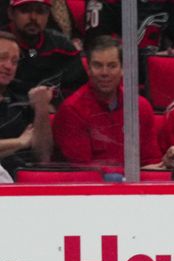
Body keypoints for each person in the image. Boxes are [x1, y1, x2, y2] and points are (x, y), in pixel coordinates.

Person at [52, 34, 163, 169]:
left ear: (122, 69)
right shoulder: (72, 110)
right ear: (89, 69)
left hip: (135, 186)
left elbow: (150, 161)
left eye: (112, 66)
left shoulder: (140, 107)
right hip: (92, 188)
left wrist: (164, 164)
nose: (105, 73)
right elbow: (82, 173)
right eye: (98, 65)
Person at [83, 0, 174, 83]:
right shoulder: (106, 3)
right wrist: (149, 58)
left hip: (155, 74)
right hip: (115, 75)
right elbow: (97, 44)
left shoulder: (169, 3)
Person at [5, 0, 86, 103]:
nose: (33, 17)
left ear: (48, 14)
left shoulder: (61, 46)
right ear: (11, 13)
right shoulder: (2, 45)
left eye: (40, 11)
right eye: (25, 10)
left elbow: (79, 89)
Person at [0, 30, 53, 176]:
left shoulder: (22, 99)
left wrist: (41, 109)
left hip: (25, 184)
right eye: (2, 58)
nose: (9, 66)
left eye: (14, 61)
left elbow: (43, 157)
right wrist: (20, 142)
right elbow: (25, 141)